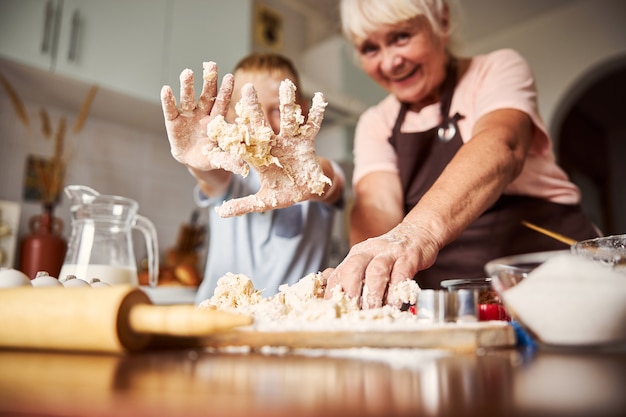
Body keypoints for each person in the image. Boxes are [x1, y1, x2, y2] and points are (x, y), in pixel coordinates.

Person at [324, 0, 599, 309]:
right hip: (454, 304)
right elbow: (377, 205)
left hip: (551, 282)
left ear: (441, 21)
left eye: (401, 37)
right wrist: (367, 266)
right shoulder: (376, 122)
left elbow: (500, 146)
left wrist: (417, 234)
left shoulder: (496, 69)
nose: (389, 63)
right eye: (370, 48)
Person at [161, 53, 345, 303]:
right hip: (220, 317)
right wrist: (195, 160)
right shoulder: (231, 174)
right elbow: (209, 176)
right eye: (250, 111)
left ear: (299, 110)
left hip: (294, 322)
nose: (264, 126)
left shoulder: (314, 171)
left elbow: (329, 183)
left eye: (278, 110)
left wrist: (310, 173)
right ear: (230, 118)